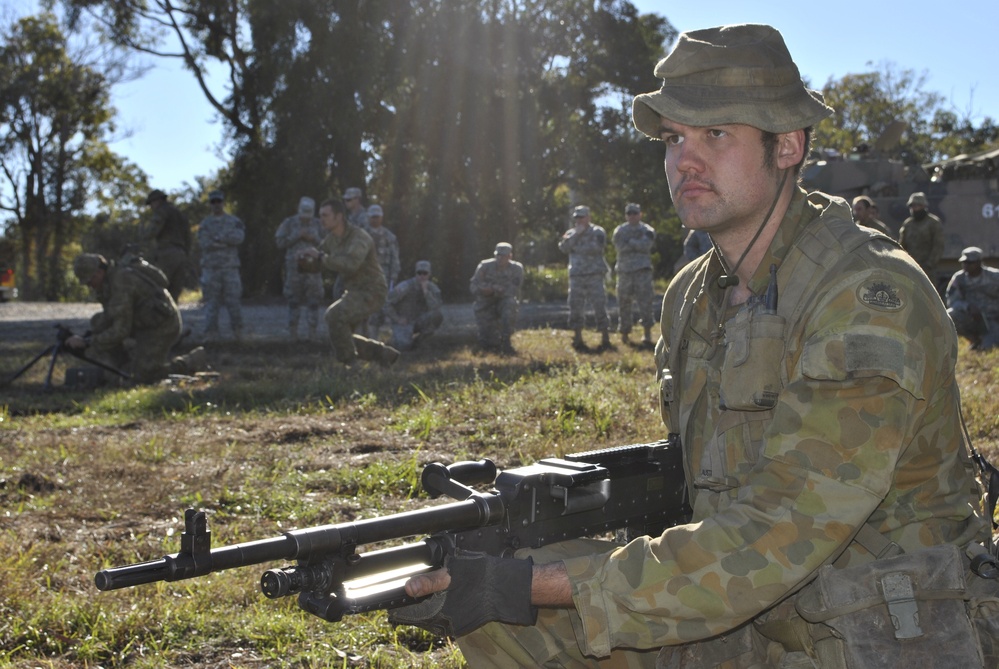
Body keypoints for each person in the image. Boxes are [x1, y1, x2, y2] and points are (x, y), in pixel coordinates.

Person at [394, 24, 993, 668]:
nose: (685, 160)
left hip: (871, 624)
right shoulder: (692, 293)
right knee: (506, 614)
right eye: (674, 137)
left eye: (716, 134)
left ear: (786, 145)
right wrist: (511, 549)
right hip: (742, 611)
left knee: (527, 590)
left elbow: (786, 527)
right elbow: (691, 486)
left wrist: (543, 582)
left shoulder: (869, 294)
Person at [68, 253, 203, 383]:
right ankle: (123, 364)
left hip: (162, 327)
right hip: (142, 322)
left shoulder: (120, 283)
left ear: (98, 273)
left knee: (142, 377)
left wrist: (89, 342)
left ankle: (190, 361)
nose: (89, 285)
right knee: (98, 322)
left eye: (90, 280)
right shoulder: (109, 280)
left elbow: (121, 330)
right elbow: (114, 317)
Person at [299, 199, 399, 368]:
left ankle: (352, 365)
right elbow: (319, 261)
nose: (321, 219)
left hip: (372, 291)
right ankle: (382, 354)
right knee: (340, 330)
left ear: (338, 217)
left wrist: (321, 257)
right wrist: (304, 259)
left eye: (325, 215)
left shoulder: (359, 237)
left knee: (334, 316)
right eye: (320, 215)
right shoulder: (331, 239)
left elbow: (351, 264)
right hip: (354, 291)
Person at [558, 205, 611, 351]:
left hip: (594, 274)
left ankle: (605, 337)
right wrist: (576, 236)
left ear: (588, 217)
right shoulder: (571, 233)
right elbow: (563, 248)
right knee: (575, 305)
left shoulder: (597, 231)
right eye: (577, 217)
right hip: (576, 275)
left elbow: (596, 248)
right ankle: (578, 337)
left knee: (599, 305)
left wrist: (577, 244)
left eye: (581, 217)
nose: (579, 220)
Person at [197, 190, 245, 341]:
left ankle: (238, 333)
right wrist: (225, 241)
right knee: (211, 303)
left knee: (234, 302)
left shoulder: (234, 221)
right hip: (211, 269)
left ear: (223, 202)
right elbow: (204, 243)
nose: (216, 205)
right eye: (213, 202)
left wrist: (218, 239)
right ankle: (211, 335)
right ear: (210, 204)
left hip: (230, 268)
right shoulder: (205, 224)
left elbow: (239, 238)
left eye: (219, 201)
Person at [275, 196, 325, 341]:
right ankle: (293, 334)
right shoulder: (289, 223)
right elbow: (279, 242)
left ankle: (312, 335)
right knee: (293, 301)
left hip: (313, 269)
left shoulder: (318, 224)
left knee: (314, 302)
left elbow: (329, 244)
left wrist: (313, 239)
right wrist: (297, 236)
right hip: (294, 269)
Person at [612, 203, 656, 347]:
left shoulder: (647, 230)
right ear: (626, 215)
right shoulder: (619, 230)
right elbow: (620, 247)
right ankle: (624, 332)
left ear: (640, 214)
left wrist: (630, 241)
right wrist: (636, 243)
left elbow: (646, 245)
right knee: (623, 303)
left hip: (642, 272)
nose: (632, 216)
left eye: (634, 213)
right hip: (624, 272)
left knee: (645, 302)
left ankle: (647, 333)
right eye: (629, 213)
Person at [469, 242, 524, 353]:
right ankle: (489, 341)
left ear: (510, 256)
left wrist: (493, 290)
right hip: (485, 302)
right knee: (488, 342)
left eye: (503, 256)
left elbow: (513, 290)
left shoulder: (516, 268)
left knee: (511, 304)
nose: (500, 258)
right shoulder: (484, 266)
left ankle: (506, 341)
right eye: (497, 255)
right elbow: (473, 286)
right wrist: (490, 289)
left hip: (504, 301)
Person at [143, 189, 193, 301]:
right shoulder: (179, 214)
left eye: (151, 203)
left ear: (158, 201)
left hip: (167, 254)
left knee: (159, 289)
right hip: (181, 254)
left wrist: (143, 236)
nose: (151, 207)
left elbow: (152, 231)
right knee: (174, 294)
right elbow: (188, 237)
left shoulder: (162, 212)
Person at [946, 245, 999, 350]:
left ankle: (985, 341)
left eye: (970, 263)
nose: (966, 265)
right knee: (950, 315)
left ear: (979, 262)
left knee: (987, 348)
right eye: (964, 262)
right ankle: (975, 339)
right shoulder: (959, 278)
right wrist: (968, 307)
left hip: (993, 319)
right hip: (973, 318)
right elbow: (952, 300)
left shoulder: (995, 276)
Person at [386, 260, 443, 351]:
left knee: (437, 316)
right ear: (415, 273)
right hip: (404, 322)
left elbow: (436, 308)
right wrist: (397, 318)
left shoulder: (433, 288)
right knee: (403, 347)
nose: (422, 276)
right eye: (419, 273)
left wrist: (426, 293)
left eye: (425, 273)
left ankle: (420, 341)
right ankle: (401, 340)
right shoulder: (405, 287)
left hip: (418, 320)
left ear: (429, 274)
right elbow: (387, 303)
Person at [365, 204, 402, 339]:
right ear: (368, 217)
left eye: (377, 216)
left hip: (384, 279)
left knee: (386, 310)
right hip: (365, 279)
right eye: (373, 217)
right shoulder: (361, 235)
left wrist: (394, 276)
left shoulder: (389, 236)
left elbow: (395, 258)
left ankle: (384, 342)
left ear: (381, 217)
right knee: (368, 310)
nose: (375, 219)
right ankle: (368, 340)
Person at [898, 191, 944, 282]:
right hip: (910, 267)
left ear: (923, 206)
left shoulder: (933, 223)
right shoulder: (908, 224)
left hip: (927, 269)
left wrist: (930, 264)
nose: (914, 209)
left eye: (916, 206)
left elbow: (938, 245)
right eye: (912, 206)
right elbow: (902, 245)